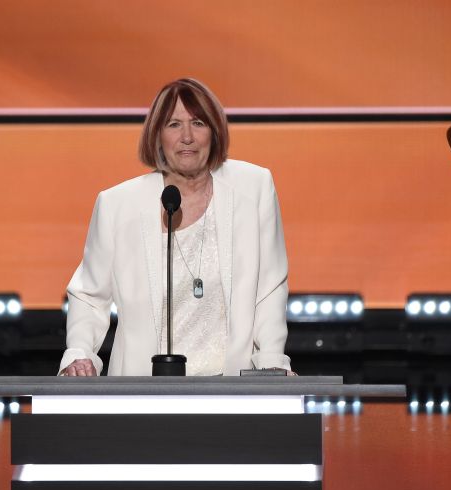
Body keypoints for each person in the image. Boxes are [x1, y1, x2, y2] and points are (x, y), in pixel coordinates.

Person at [59, 78, 292, 376]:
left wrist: (272, 361)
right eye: (173, 124)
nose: (186, 137)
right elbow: (89, 295)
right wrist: (80, 353)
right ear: (157, 135)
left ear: (215, 131)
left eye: (197, 123)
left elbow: (269, 287)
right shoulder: (118, 205)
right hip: (143, 392)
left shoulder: (254, 188)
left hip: (233, 392)